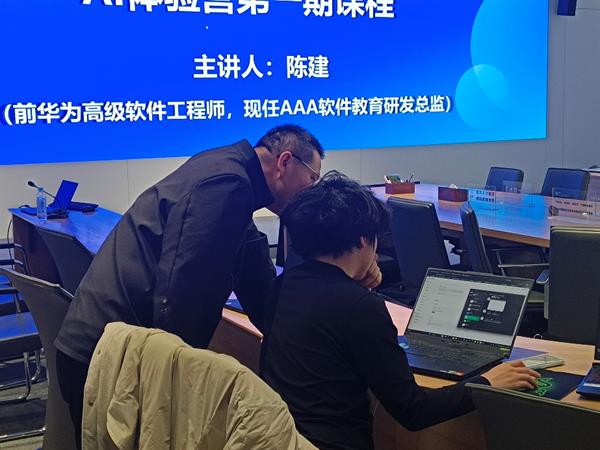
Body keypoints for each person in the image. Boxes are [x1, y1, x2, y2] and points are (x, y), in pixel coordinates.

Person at [55, 124, 344, 448]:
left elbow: (258, 284)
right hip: (108, 356)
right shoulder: (226, 183)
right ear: (285, 162)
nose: (312, 190)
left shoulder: (232, 178)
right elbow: (179, 297)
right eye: (312, 179)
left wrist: (328, 303)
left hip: (106, 346)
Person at [260, 172, 540, 450]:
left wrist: (357, 286)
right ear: (363, 240)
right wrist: (487, 383)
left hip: (281, 439)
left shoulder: (283, 285)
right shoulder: (360, 308)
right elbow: (414, 411)